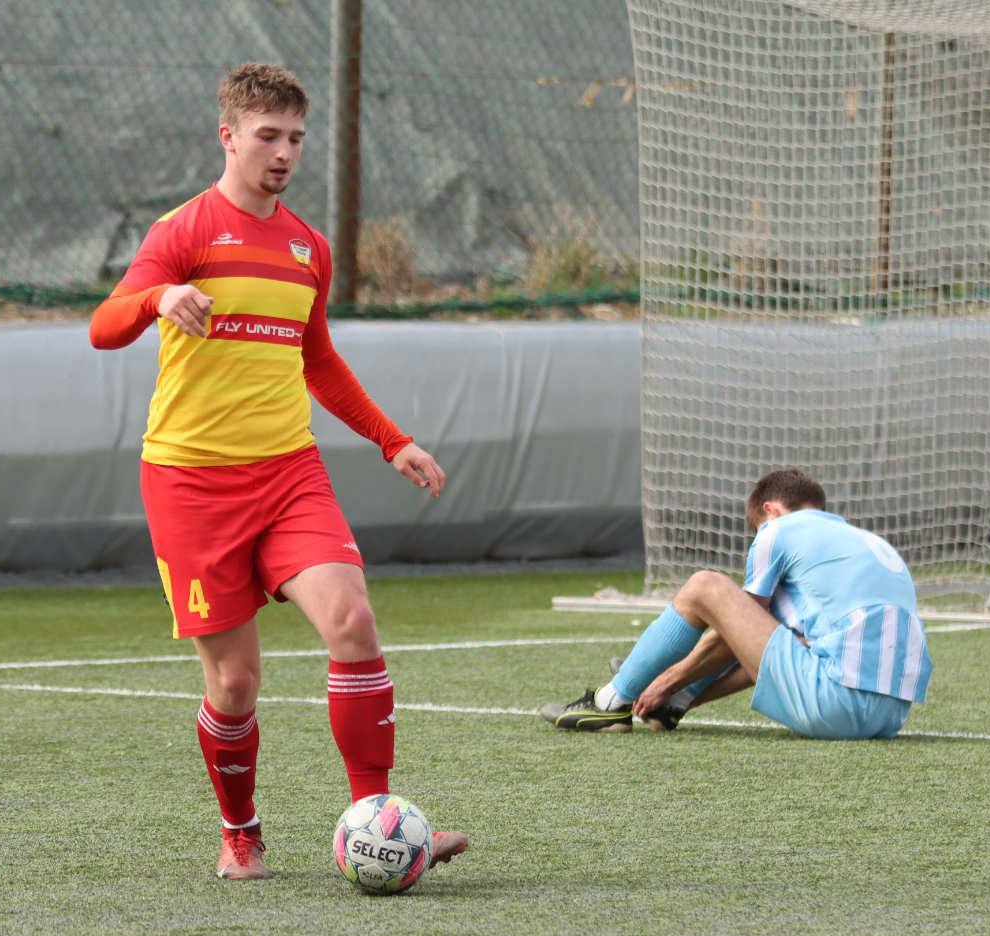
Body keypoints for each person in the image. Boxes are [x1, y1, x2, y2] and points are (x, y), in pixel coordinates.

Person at [89, 62, 468, 880]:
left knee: (353, 623)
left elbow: (316, 358)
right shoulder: (182, 232)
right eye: (268, 136)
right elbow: (103, 327)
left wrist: (392, 440)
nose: (284, 152)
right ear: (228, 137)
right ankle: (240, 834)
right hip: (190, 483)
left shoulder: (308, 247)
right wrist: (157, 299)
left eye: (296, 137)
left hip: (288, 474)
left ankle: (380, 823)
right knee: (235, 684)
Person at [541, 469, 932, 740]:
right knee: (781, 628)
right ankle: (674, 703)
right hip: (890, 718)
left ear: (770, 510)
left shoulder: (778, 529)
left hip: (834, 704)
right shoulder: (867, 542)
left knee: (705, 587)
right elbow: (759, 644)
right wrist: (678, 692)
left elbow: (735, 628)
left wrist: (665, 678)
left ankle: (610, 703)